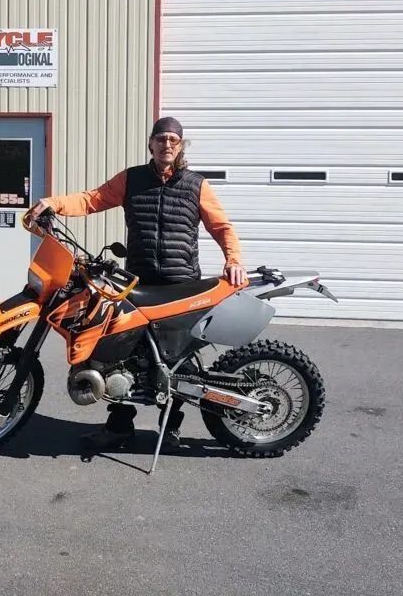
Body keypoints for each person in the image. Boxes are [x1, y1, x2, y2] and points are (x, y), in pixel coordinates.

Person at [26, 116, 245, 452]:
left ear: (181, 146)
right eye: (161, 138)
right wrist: (54, 203)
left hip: (181, 281)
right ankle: (118, 428)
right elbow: (91, 199)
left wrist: (233, 260)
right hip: (138, 281)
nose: (167, 144)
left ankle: (169, 427)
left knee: (177, 360)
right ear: (151, 143)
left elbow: (222, 227)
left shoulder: (196, 184)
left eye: (173, 139)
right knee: (119, 352)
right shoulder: (132, 179)